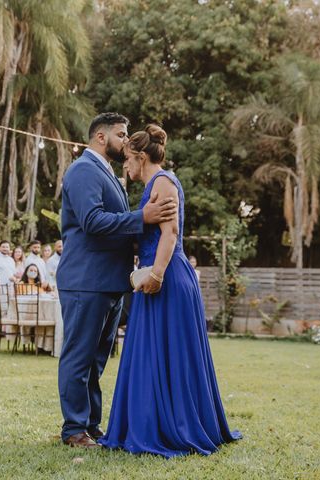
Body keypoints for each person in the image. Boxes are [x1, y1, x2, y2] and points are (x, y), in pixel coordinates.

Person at [98, 125, 241, 456]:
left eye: (128, 161)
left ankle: (170, 427)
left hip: (166, 279)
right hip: (154, 276)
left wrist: (158, 275)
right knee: (151, 353)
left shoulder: (162, 182)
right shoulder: (154, 184)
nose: (125, 167)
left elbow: (170, 233)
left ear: (141, 157)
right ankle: (150, 422)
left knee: (167, 353)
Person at [56, 112, 177, 448]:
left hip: (111, 281)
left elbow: (117, 225)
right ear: (101, 137)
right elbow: (92, 221)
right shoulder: (82, 170)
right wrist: (144, 217)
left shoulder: (107, 173)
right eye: (122, 134)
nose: (127, 141)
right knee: (79, 356)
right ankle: (74, 429)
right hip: (86, 279)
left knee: (96, 359)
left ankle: (91, 425)